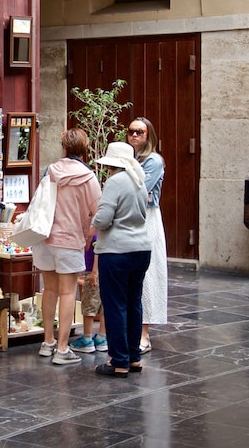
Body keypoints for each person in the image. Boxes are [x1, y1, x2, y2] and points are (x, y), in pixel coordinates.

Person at [35, 129, 102, 365]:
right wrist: (89, 235)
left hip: (44, 238)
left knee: (49, 290)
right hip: (70, 239)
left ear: (63, 148)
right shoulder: (88, 177)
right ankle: (63, 349)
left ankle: (48, 342)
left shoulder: (50, 170)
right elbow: (99, 213)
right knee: (67, 292)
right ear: (84, 150)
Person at [91, 142, 151, 377]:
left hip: (116, 251)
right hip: (141, 249)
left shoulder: (115, 182)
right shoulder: (139, 180)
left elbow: (104, 218)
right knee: (134, 302)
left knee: (115, 305)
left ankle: (119, 361)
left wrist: (93, 222)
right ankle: (133, 357)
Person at [127, 117, 168, 353]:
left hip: (147, 218)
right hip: (129, 218)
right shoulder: (128, 158)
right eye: (131, 131)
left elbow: (138, 188)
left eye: (139, 132)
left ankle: (143, 333)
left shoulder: (153, 161)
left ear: (148, 135)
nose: (134, 136)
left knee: (149, 275)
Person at [70, 233, 108, 354]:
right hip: (106, 271)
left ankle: (87, 338)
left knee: (88, 305)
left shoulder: (96, 230)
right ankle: (102, 337)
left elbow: (98, 249)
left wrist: (94, 272)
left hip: (92, 273)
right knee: (104, 305)